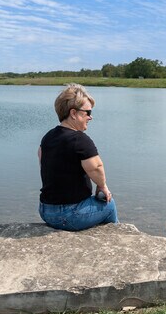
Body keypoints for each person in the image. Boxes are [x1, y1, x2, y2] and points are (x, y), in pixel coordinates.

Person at [38, 83, 118, 231]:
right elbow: (96, 167)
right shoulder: (80, 140)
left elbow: (42, 159)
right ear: (73, 113)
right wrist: (102, 186)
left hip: (45, 210)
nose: (90, 117)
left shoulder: (48, 137)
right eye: (87, 112)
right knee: (109, 204)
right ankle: (117, 238)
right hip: (69, 214)